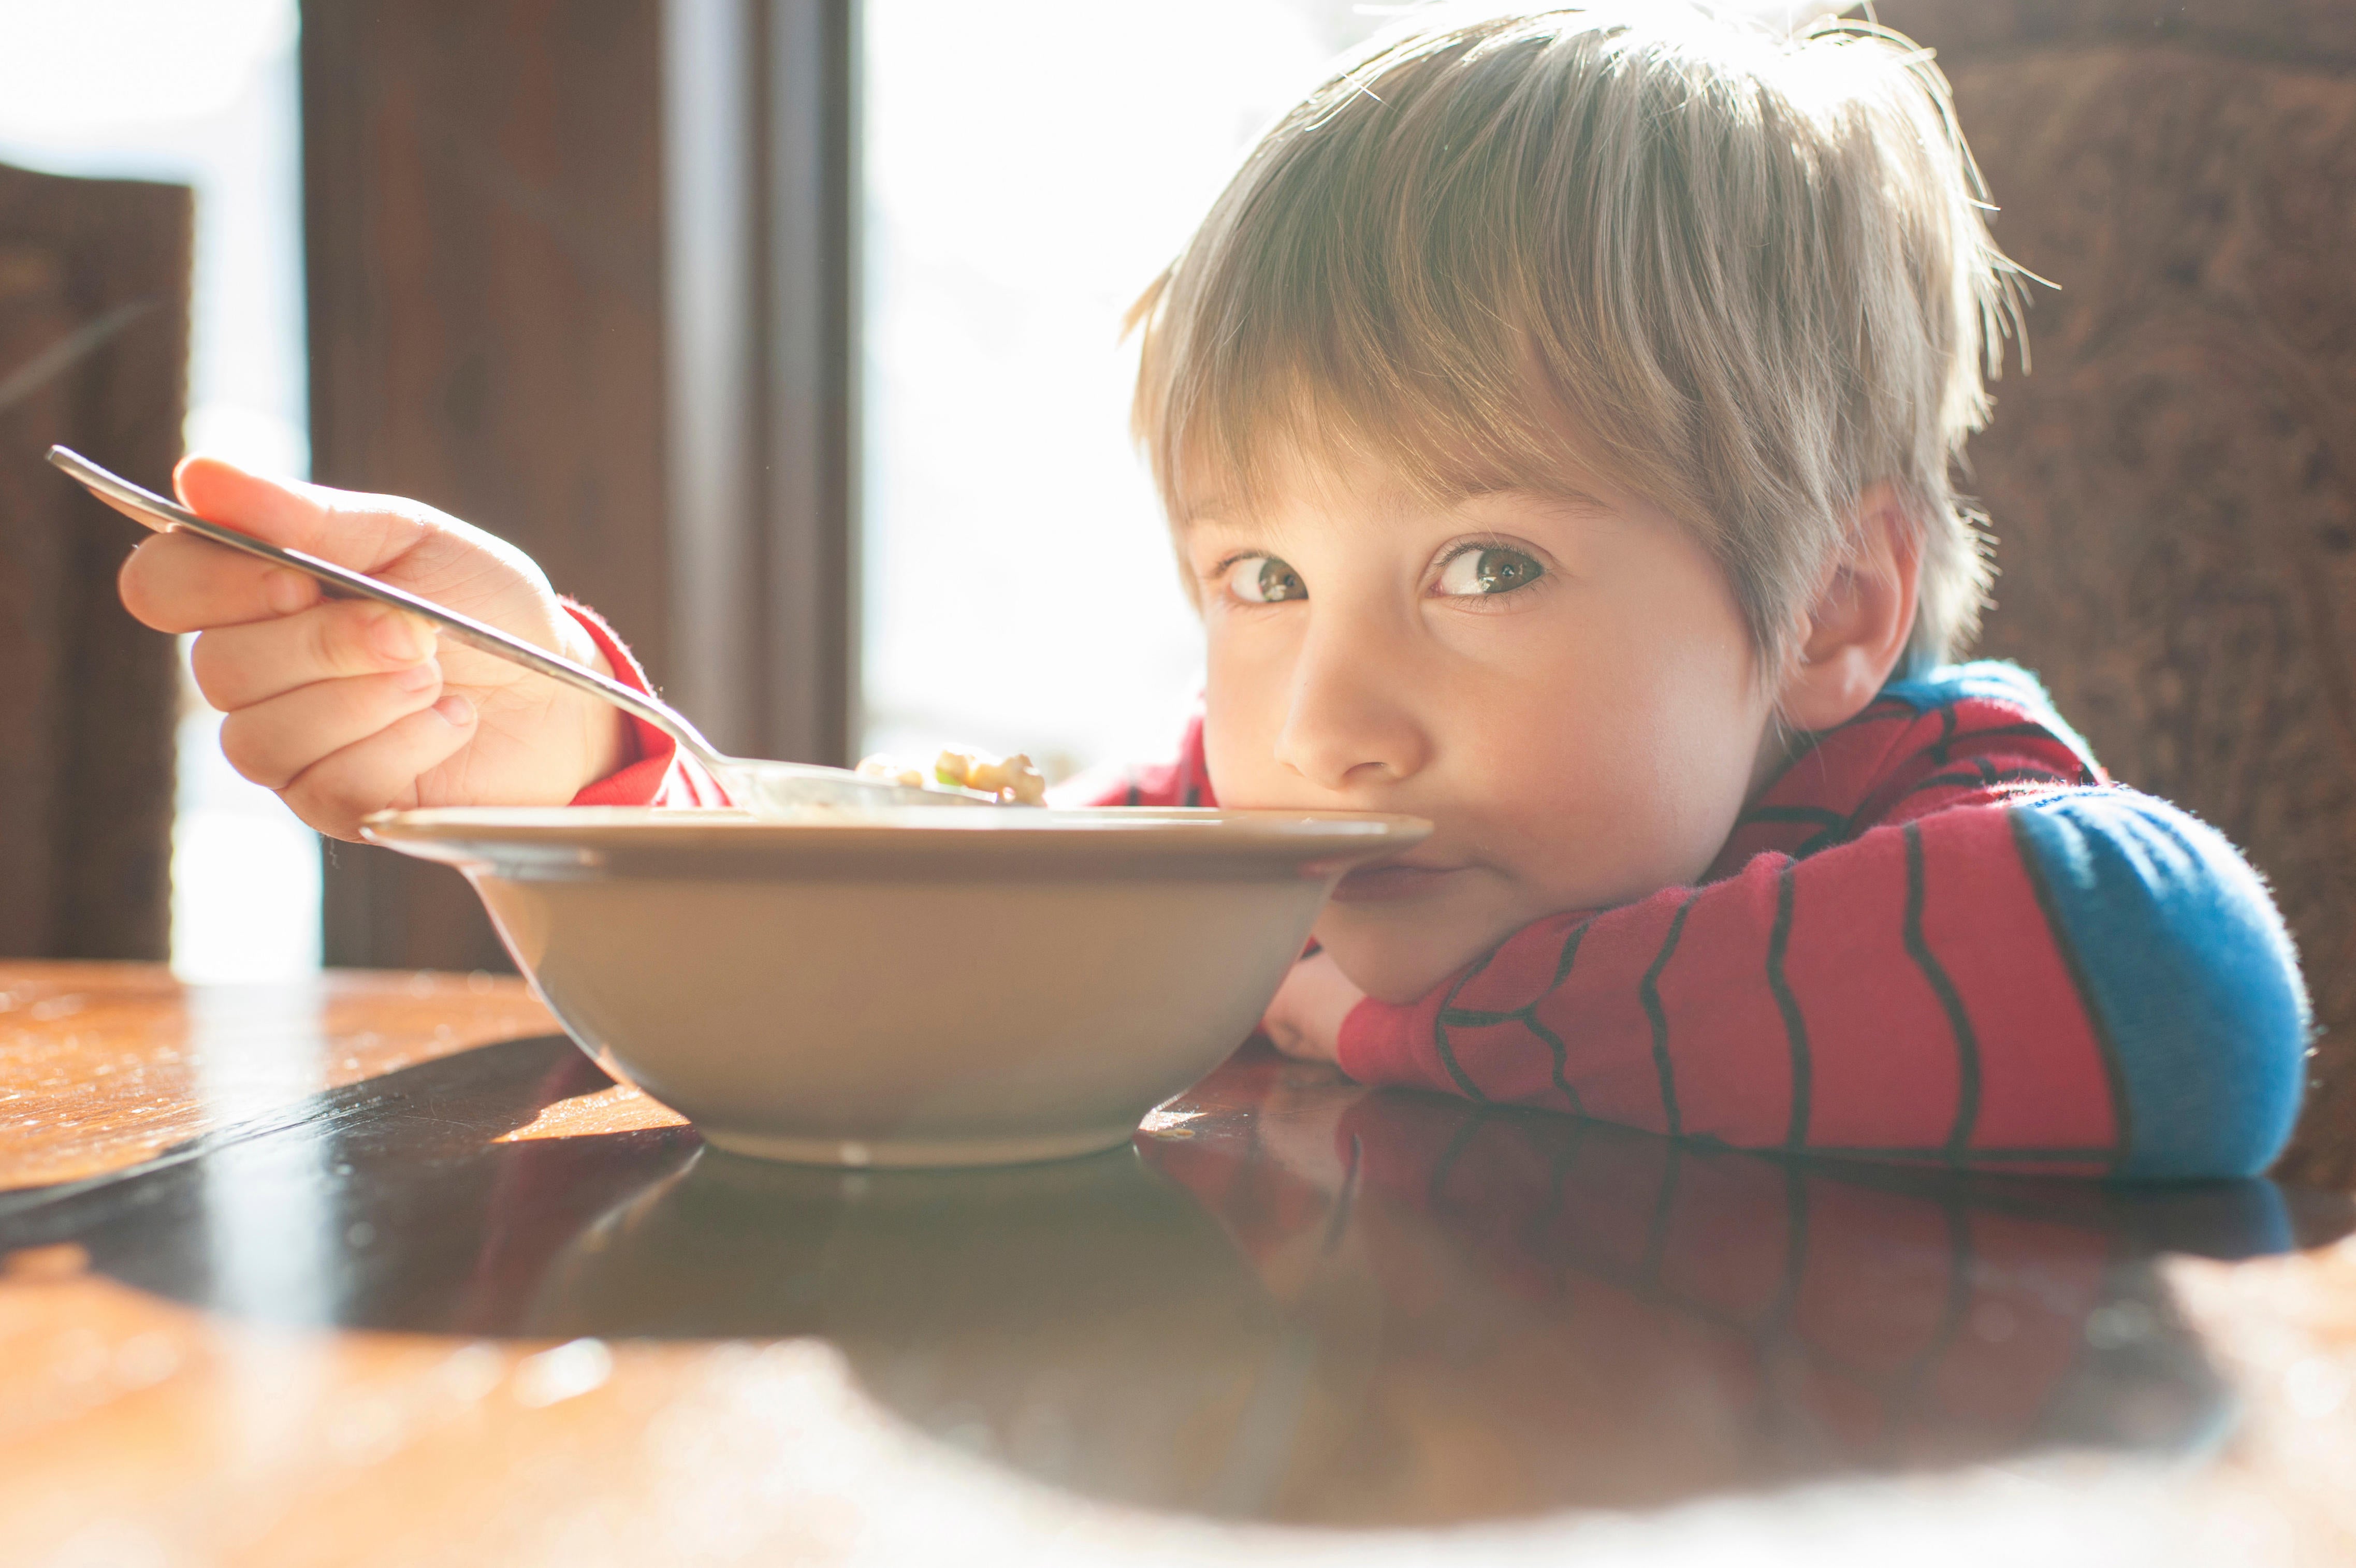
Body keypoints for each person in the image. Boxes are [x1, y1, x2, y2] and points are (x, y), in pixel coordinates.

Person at [118, 5, 2307, 1177]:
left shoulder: (1937, 813)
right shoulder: (1229, 844)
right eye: (1260, 574)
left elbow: (2186, 1007)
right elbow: (900, 977)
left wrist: (1383, 1027)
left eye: (1484, 564)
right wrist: (584, 768)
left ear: (1829, 612)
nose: (1329, 716)